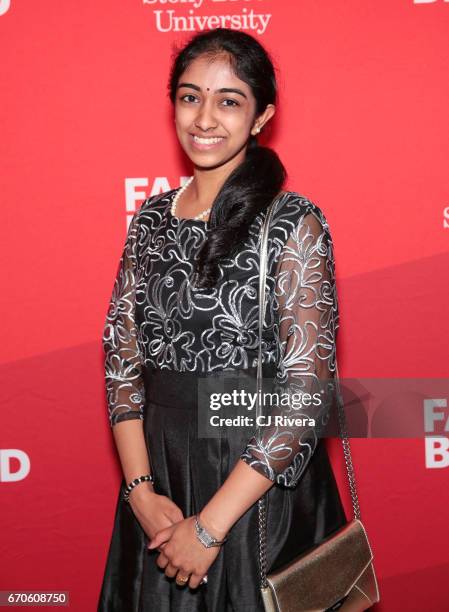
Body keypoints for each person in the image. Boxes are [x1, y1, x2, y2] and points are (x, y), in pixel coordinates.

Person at [97, 27, 347, 612]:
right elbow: (121, 358)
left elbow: (308, 393)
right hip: (159, 485)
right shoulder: (151, 218)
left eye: (228, 100)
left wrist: (209, 528)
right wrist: (139, 493)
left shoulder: (291, 223)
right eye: (189, 97)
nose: (204, 118)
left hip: (253, 487)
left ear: (261, 117)